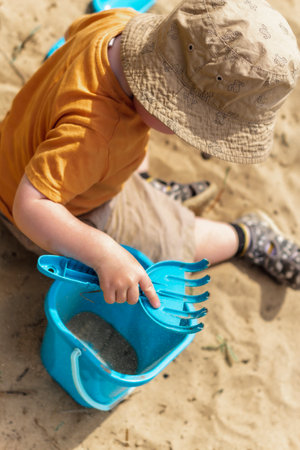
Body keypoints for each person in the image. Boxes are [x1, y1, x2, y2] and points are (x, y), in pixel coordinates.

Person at [0, 0, 299, 310]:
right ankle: (247, 237)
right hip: (44, 209)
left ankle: (145, 182)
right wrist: (104, 252)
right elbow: (31, 206)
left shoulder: (117, 24)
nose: (190, 136)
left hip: (15, 151)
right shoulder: (96, 135)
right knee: (168, 238)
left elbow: (72, 33)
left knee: (132, 136)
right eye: (186, 122)